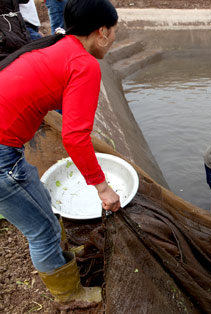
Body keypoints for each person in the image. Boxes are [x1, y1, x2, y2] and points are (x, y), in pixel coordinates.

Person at [0, 0, 120, 306]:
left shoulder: (56, 44)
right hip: (2, 156)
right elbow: (76, 138)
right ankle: (70, 295)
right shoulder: (84, 64)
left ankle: (58, 256)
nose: (114, 38)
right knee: (41, 230)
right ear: (102, 32)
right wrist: (103, 188)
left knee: (40, 201)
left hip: (6, 146)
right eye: (115, 31)